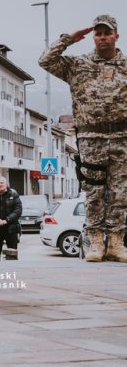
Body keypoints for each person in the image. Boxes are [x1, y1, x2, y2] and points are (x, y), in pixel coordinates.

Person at [38, 14, 127, 262]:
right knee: (93, 191)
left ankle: (117, 242)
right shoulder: (78, 65)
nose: (102, 37)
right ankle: (96, 240)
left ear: (116, 36)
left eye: (107, 33)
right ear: (93, 37)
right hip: (90, 137)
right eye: (98, 33)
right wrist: (68, 39)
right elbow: (45, 61)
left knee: (121, 192)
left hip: (122, 137)